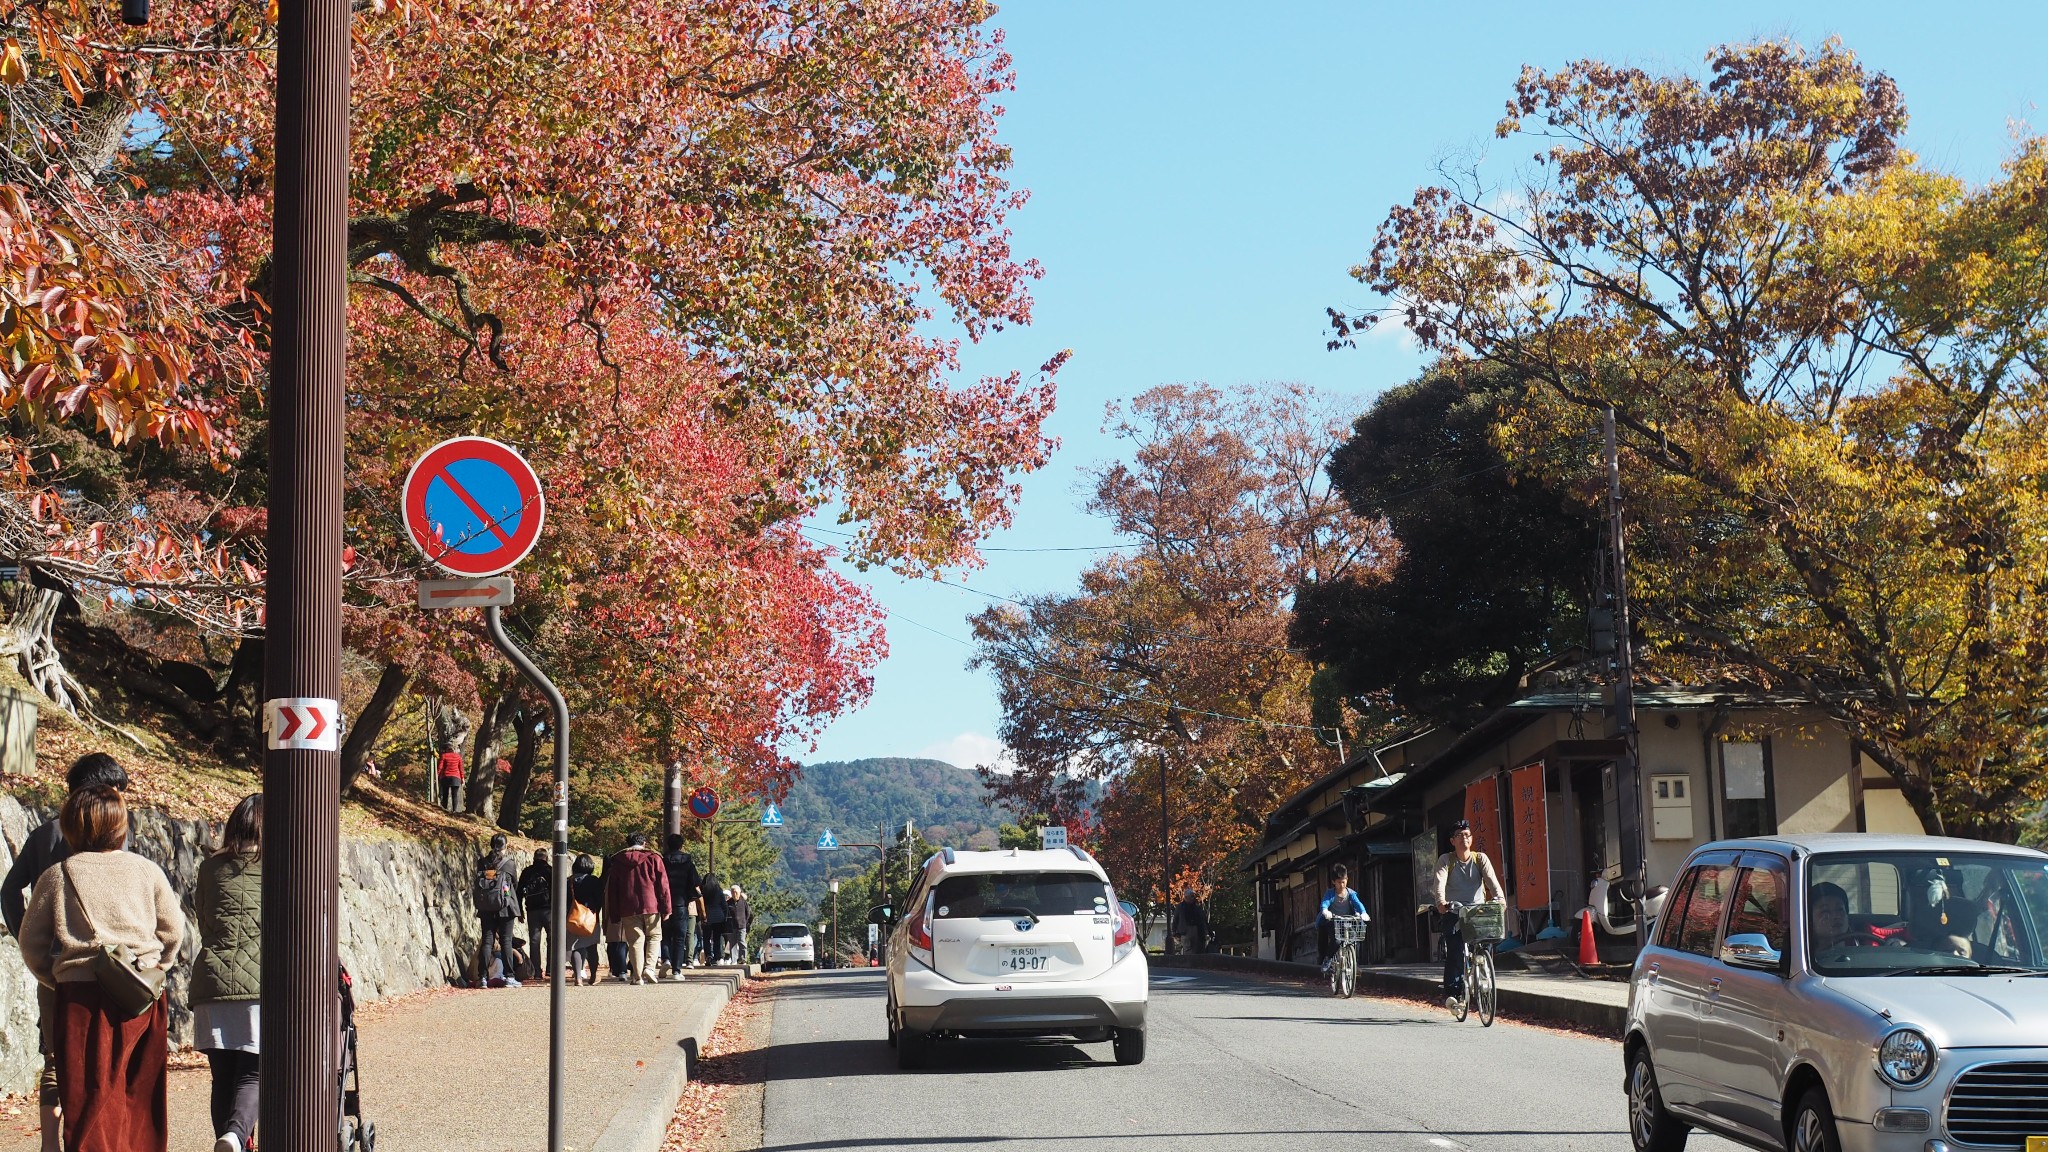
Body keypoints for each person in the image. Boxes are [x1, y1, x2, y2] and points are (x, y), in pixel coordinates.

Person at [18, 785, 182, 1152]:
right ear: (120, 825)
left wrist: (59, 976)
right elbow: (174, 930)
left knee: (88, 1097)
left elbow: (31, 942)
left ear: (71, 827)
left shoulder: (59, 875)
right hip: (141, 994)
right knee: (139, 1096)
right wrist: (157, 968)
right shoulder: (146, 870)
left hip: (81, 998)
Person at [2, 752, 130, 1152]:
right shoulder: (115, 836)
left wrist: (30, 937)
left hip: (54, 967)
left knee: (56, 1057)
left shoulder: (44, 834)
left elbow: (9, 890)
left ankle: (49, 1146)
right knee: (105, 1055)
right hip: (107, 967)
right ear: (103, 791)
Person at [191, 795, 262, 1152]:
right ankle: (235, 1135)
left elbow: (203, 920)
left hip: (211, 982)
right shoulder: (278, 864)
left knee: (222, 1079)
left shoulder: (210, 868)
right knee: (253, 1073)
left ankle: (230, 1140)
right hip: (257, 988)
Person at [1432, 819, 1505, 1000]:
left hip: (1477, 911)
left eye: (1467, 835)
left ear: (1471, 839)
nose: (1463, 838)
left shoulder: (1480, 859)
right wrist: (1441, 902)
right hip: (1454, 911)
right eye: (1459, 835)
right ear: (1452, 841)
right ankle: (1454, 994)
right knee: (1456, 952)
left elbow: (1492, 882)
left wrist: (1500, 899)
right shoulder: (1446, 860)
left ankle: (1484, 972)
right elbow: (1439, 883)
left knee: (1487, 941)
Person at [603, 833, 670, 985]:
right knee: (654, 936)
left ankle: (637, 976)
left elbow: (613, 889)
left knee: (635, 941)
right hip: (651, 905)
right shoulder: (654, 858)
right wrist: (666, 908)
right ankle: (649, 968)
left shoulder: (618, 860)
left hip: (627, 907)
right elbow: (663, 885)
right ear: (644, 843)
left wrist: (614, 913)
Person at [473, 834, 522, 987]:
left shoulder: (482, 862)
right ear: (505, 846)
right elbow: (515, 884)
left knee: (487, 941)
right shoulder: (509, 864)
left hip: (486, 907)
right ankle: (509, 976)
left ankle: (482, 977)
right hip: (505, 907)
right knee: (506, 941)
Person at [660, 837, 701, 978]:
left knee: (664, 935)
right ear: (681, 845)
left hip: (664, 903)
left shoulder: (662, 860)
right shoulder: (687, 861)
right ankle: (677, 970)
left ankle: (665, 958)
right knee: (679, 937)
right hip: (681, 903)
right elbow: (696, 881)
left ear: (667, 844)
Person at [1317, 866, 1368, 966]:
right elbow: (1325, 903)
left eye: (1343, 882)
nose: (1341, 885)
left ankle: (1352, 962)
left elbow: (1358, 903)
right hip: (1332, 922)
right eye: (1339, 882)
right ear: (1333, 882)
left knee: (1354, 939)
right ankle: (1327, 959)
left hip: (1348, 921)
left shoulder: (1351, 894)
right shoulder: (1330, 893)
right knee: (1336, 941)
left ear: (1347, 880)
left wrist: (1363, 912)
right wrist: (1325, 910)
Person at [567, 854, 604, 986]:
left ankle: (578, 978)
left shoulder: (568, 881)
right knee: (591, 947)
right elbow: (600, 900)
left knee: (575, 948)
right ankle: (593, 976)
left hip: (572, 919)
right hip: (590, 919)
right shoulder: (593, 881)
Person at [517, 848, 553, 979]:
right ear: (546, 858)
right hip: (549, 910)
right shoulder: (551, 871)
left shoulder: (527, 871)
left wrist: (519, 911)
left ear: (534, 858)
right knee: (552, 939)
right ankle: (551, 969)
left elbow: (519, 892)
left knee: (534, 940)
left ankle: (536, 972)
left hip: (532, 910)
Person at [698, 872, 729, 965]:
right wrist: (725, 915)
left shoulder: (703, 890)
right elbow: (724, 904)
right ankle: (717, 956)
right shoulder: (718, 890)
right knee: (717, 938)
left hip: (706, 916)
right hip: (718, 917)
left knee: (706, 938)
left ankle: (708, 956)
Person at [1173, 889, 1211, 955]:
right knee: (1187, 948)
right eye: (1191, 896)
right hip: (1185, 930)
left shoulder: (1197, 907)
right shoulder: (1180, 907)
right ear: (1186, 897)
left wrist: (1207, 932)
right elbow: (1175, 919)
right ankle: (1188, 963)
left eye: (1192, 896)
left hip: (1196, 929)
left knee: (1196, 949)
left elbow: (1202, 920)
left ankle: (1193, 963)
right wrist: (1174, 931)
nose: (1192, 898)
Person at [727, 884, 752, 964]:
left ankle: (742, 959)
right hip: (732, 926)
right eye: (732, 892)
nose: (734, 894)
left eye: (736, 892)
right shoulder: (728, 903)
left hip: (742, 925)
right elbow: (726, 914)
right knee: (732, 943)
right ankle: (733, 960)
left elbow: (748, 913)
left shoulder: (743, 902)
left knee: (742, 942)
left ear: (739, 892)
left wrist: (744, 921)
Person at [436, 742, 464, 813]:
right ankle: (454, 811)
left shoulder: (444, 756)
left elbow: (440, 767)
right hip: (456, 777)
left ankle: (444, 809)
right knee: (454, 795)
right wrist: (462, 778)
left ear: (446, 749)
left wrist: (437, 775)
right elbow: (461, 768)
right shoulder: (458, 756)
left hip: (446, 776)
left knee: (445, 794)